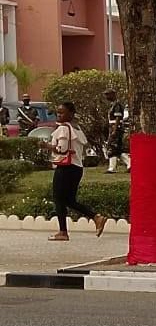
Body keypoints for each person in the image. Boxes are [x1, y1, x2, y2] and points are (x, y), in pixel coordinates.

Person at [44, 101, 105, 242]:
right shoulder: (76, 128)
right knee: (69, 200)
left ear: (70, 114)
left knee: (58, 199)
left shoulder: (64, 129)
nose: (59, 115)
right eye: (58, 112)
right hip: (77, 168)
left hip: (65, 168)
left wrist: (46, 146)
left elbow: (62, 149)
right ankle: (96, 217)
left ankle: (63, 232)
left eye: (62, 112)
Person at [104, 89, 130, 173]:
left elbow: (118, 118)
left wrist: (115, 130)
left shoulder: (117, 105)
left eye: (108, 94)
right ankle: (130, 163)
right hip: (113, 127)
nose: (106, 97)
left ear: (113, 94)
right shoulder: (113, 105)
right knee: (118, 149)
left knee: (112, 147)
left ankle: (112, 168)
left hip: (116, 127)